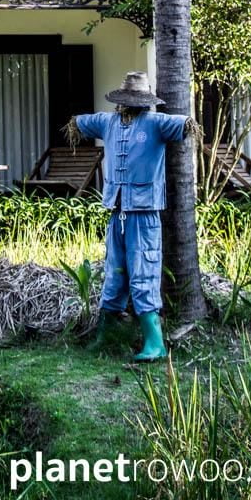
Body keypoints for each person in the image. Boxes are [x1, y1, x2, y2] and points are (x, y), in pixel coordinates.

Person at [66, 71, 198, 362]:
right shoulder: (108, 122)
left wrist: (190, 124)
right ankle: (106, 335)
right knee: (115, 273)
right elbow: (78, 122)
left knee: (144, 272)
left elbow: (186, 124)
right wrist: (73, 125)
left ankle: (155, 342)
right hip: (117, 212)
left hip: (145, 213)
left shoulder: (154, 123)